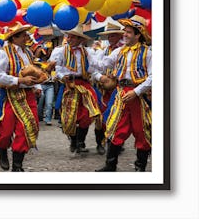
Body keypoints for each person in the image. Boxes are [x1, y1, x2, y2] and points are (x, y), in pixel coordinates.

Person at [93, 15, 152, 172]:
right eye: (124, 31)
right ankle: (110, 165)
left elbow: (154, 76)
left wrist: (136, 91)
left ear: (138, 34)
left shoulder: (148, 53)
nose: (124, 34)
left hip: (140, 95)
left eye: (128, 32)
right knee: (115, 127)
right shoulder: (119, 51)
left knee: (142, 130)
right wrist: (88, 57)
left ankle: (140, 167)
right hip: (121, 93)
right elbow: (102, 64)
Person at [0, 22, 43, 172]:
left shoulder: (28, 53)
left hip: (28, 96)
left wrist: (38, 86)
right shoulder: (2, 53)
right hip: (9, 95)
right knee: (6, 130)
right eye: (24, 34)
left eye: (27, 34)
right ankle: (2, 150)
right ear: (14, 38)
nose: (27, 37)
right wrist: (19, 81)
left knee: (27, 128)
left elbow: (34, 72)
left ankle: (17, 165)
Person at [50, 24, 101, 154]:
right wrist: (63, 76)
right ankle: (73, 140)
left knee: (87, 115)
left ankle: (80, 141)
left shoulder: (88, 52)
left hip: (84, 84)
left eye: (73, 37)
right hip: (69, 85)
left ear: (80, 40)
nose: (69, 39)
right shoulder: (62, 51)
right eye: (69, 36)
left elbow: (95, 66)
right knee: (69, 116)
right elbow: (58, 68)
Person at [93, 22, 125, 155]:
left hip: (118, 89)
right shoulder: (102, 52)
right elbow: (94, 69)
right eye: (109, 36)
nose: (111, 38)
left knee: (119, 116)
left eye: (113, 35)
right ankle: (99, 142)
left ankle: (115, 142)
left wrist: (117, 76)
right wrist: (101, 77)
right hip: (103, 90)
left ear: (119, 36)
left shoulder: (124, 51)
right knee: (100, 117)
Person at [34, 41, 55, 125]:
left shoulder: (51, 61)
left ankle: (48, 119)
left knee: (49, 103)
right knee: (40, 103)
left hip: (50, 85)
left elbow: (53, 72)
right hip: (41, 85)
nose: (48, 52)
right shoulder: (37, 61)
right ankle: (39, 117)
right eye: (47, 50)